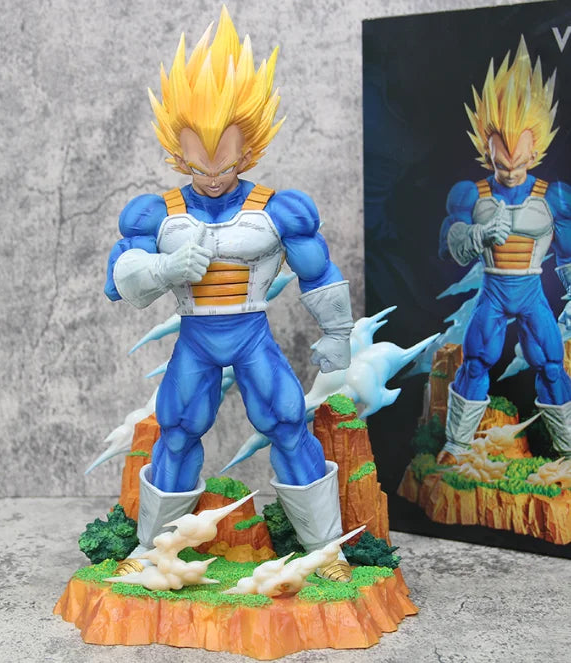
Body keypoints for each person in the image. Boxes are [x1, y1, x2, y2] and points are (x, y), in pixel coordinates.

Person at [104, 7, 354, 581]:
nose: (213, 173)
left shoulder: (280, 208)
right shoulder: (155, 213)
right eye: (200, 161)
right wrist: (166, 267)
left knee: (287, 423)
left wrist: (338, 333)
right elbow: (118, 281)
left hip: (250, 334)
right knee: (177, 432)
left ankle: (326, 552)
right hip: (197, 338)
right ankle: (152, 553)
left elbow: (318, 270)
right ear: (178, 150)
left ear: (249, 148)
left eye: (225, 160)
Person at [439, 37, 571, 461]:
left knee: (551, 365)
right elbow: (448, 244)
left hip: (531, 292)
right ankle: (456, 446)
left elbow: (568, 252)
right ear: (487, 151)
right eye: (501, 164)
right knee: (476, 362)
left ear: (536, 151)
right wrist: (477, 236)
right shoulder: (470, 194)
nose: (511, 172)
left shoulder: (555, 197)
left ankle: (568, 450)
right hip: (494, 292)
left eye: (520, 163)